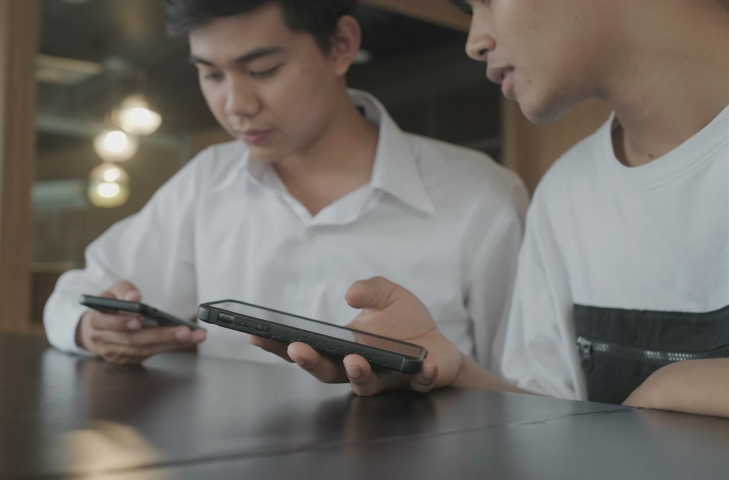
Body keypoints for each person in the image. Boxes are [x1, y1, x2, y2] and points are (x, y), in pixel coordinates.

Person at [257, 0, 729, 417]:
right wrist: (454, 372)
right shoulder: (566, 194)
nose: (474, 42)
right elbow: (554, 422)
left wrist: (687, 384)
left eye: (485, 1)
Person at [44, 0, 528, 368]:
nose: (236, 105)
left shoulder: (479, 198)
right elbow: (76, 294)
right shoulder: (208, 182)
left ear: (341, 45)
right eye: (211, 75)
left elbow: (525, 389)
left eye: (263, 71)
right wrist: (93, 329)